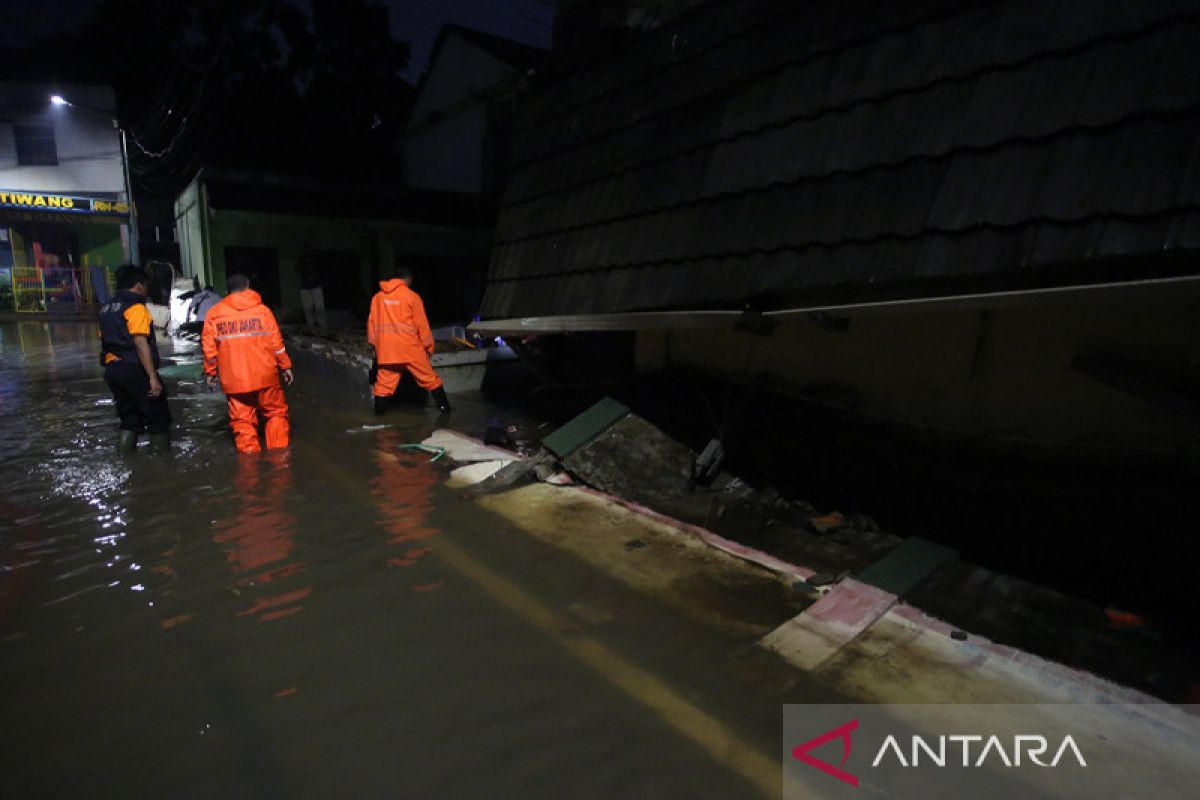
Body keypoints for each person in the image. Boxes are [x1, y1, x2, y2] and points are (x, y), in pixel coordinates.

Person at [201, 273, 295, 453]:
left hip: (235, 381)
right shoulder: (263, 311)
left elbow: (209, 351)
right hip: (266, 376)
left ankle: (250, 468)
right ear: (248, 287)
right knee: (275, 414)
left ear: (227, 291)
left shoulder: (214, 314)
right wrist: (286, 366)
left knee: (243, 423)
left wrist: (211, 373)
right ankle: (280, 460)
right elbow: (277, 344)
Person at [98, 264, 172, 454]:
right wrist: (152, 377)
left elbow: (105, 339)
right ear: (138, 285)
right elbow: (140, 343)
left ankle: (124, 459)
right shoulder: (135, 307)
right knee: (159, 418)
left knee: (130, 420)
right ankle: (162, 467)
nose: (146, 290)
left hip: (113, 370)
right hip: (135, 368)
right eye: (145, 285)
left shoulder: (106, 309)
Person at [367, 268, 450, 415]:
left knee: (383, 386)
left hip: (387, 351)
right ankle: (446, 412)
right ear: (408, 279)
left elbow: (372, 324)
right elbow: (422, 325)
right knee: (431, 380)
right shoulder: (412, 297)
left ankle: (378, 419)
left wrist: (376, 346)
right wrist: (429, 347)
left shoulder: (377, 298)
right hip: (410, 349)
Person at [296, 243, 326, 329]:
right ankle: (311, 327)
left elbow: (321, 270)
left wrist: (314, 276)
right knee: (308, 309)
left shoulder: (317, 259)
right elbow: (298, 269)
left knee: (319, 308)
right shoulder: (301, 258)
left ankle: (322, 327)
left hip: (316, 286)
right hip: (305, 287)